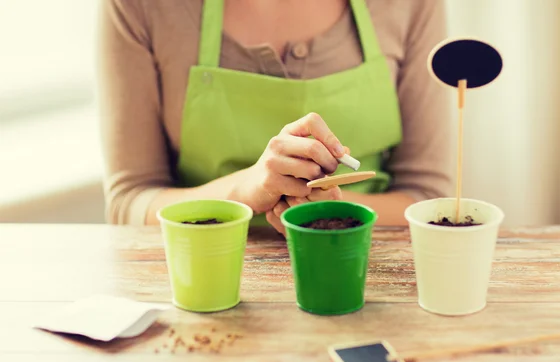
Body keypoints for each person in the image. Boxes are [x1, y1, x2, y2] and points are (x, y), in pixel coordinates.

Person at [98, 0, 452, 234]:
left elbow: (428, 197)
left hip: (365, 273)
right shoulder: (140, 7)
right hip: (208, 277)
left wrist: (335, 212)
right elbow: (128, 203)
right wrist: (245, 190)